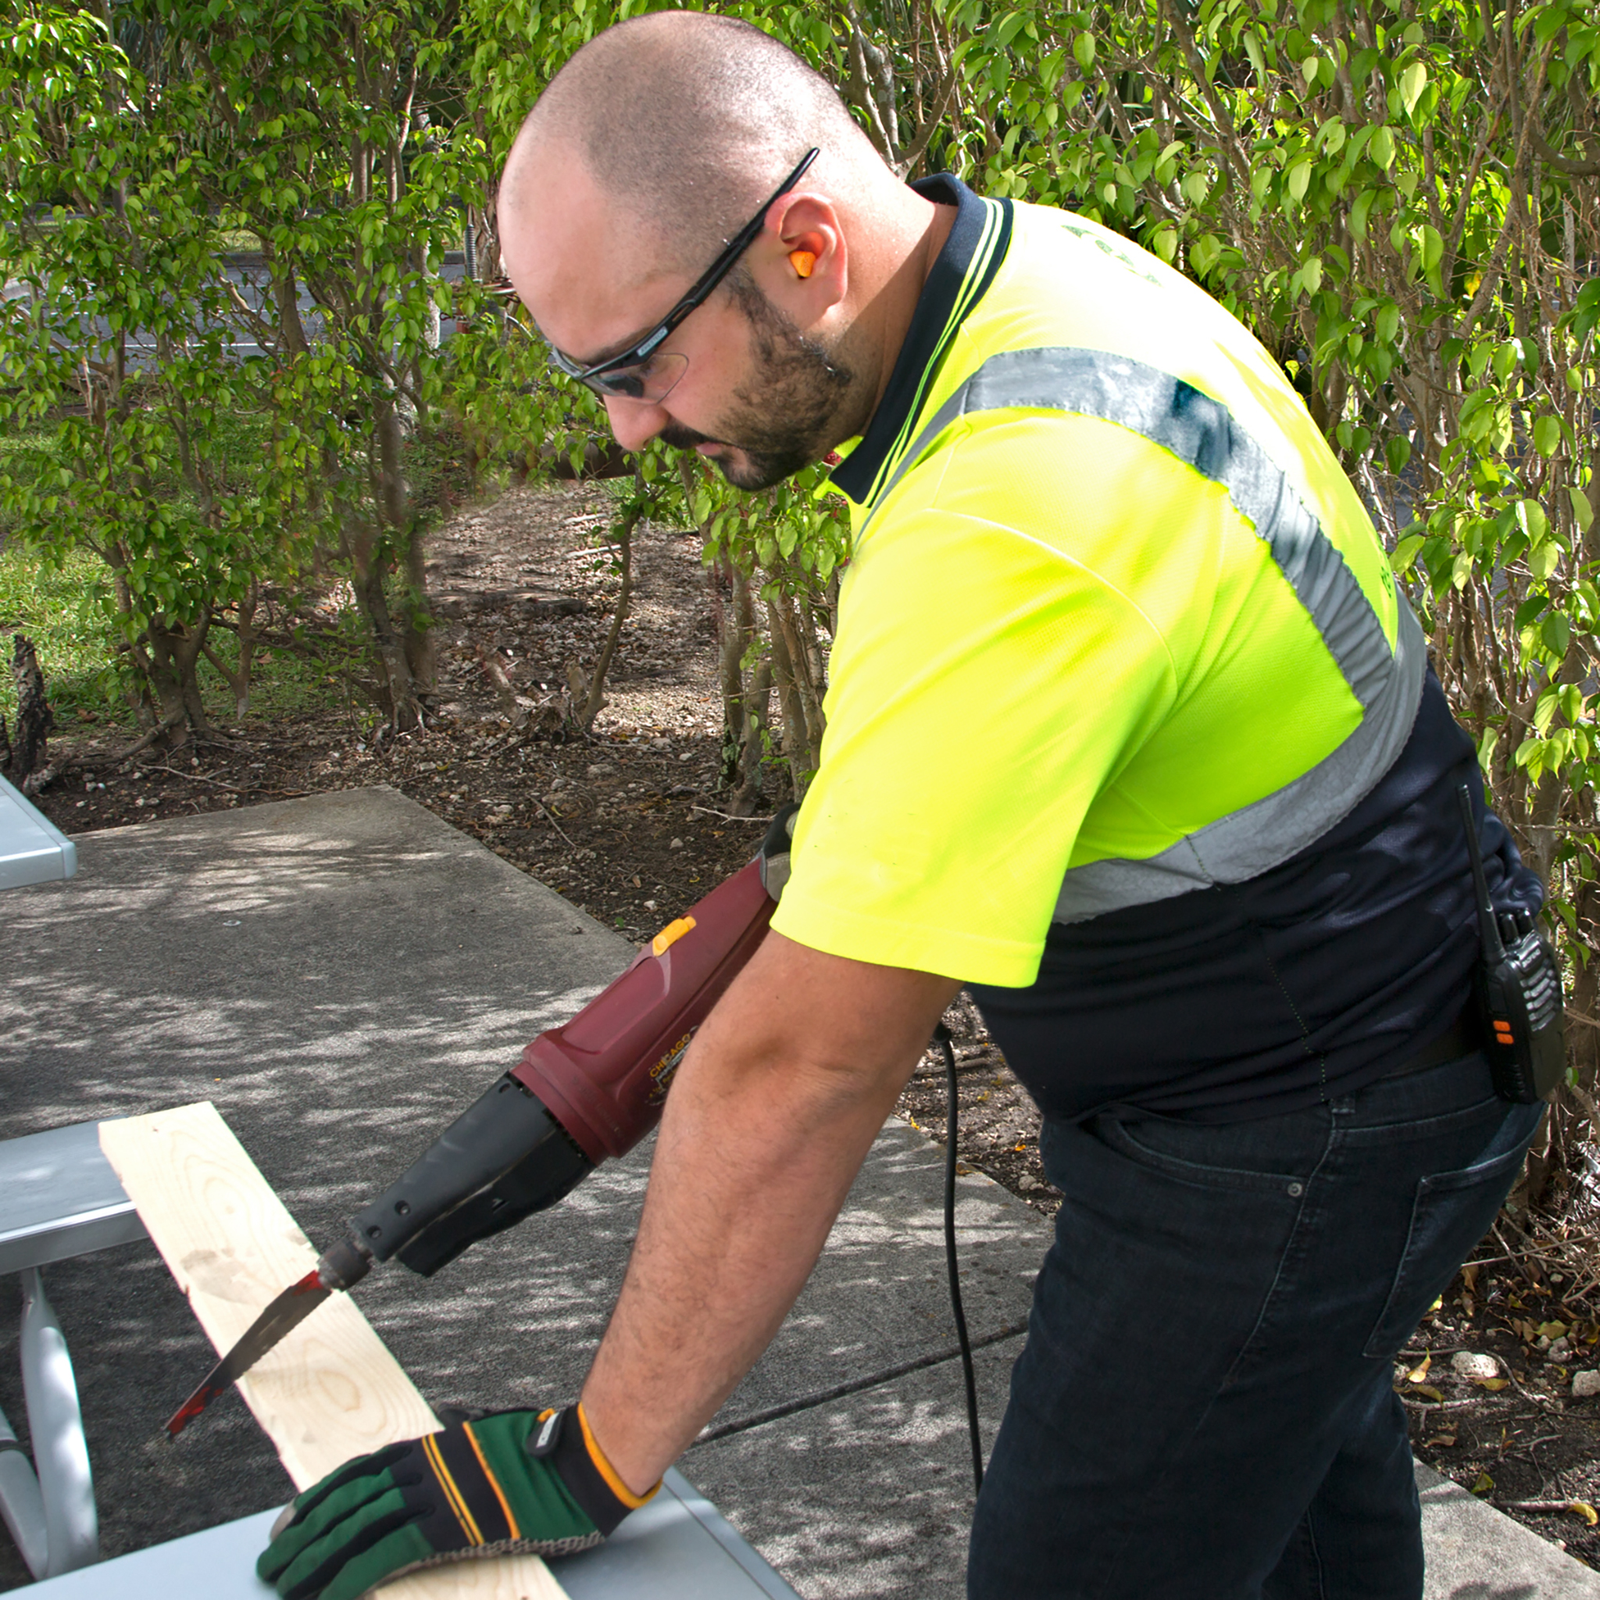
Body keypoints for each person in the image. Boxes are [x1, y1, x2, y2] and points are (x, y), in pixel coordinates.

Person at [257, 14, 1549, 1600]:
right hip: (1393, 1019)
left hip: (1302, 1124)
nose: (626, 429)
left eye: (635, 363)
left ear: (802, 247)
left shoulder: (1013, 513)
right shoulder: (1032, 274)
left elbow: (801, 1064)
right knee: (1289, 1495)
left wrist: (595, 1448)